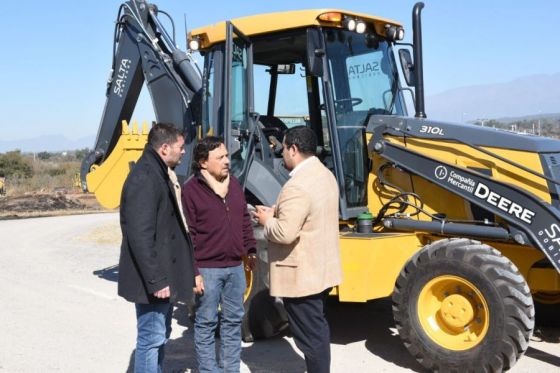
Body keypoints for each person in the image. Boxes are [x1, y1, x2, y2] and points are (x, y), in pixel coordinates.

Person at [254, 126, 342, 373]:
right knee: (318, 330)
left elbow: (285, 233)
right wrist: (277, 213)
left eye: (284, 148)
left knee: (311, 339)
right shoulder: (324, 175)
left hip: (302, 275)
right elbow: (309, 217)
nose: (282, 154)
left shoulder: (297, 186)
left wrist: (266, 221)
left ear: (293, 149)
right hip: (320, 268)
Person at [118, 123, 196, 373]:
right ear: (164, 148)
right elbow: (140, 236)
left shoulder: (158, 172)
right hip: (153, 282)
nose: (183, 152)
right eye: (180, 148)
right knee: (151, 339)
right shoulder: (145, 177)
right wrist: (157, 280)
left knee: (159, 335)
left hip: (161, 277)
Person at [181, 136, 257, 373]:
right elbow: (189, 236)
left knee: (233, 323)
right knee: (205, 325)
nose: (227, 161)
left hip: (235, 267)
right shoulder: (191, 190)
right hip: (207, 270)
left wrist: (251, 248)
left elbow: (244, 219)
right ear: (203, 163)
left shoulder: (233, 184)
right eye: (220, 157)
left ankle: (229, 369)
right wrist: (194, 272)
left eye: (227, 156)